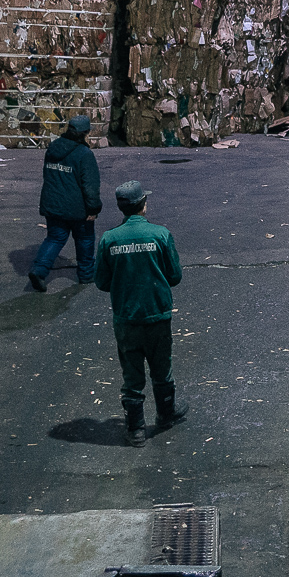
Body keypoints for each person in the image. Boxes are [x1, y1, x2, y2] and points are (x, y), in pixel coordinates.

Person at [92, 180, 184, 447]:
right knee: (162, 369)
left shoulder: (109, 239)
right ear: (143, 205)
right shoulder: (161, 234)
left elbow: (101, 282)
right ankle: (166, 414)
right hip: (157, 314)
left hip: (126, 318)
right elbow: (175, 276)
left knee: (132, 376)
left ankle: (136, 430)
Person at [30, 113, 102, 291]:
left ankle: (39, 270)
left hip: (53, 204)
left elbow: (48, 176)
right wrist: (93, 208)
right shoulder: (84, 154)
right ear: (85, 133)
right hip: (78, 208)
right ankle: (86, 275)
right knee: (85, 239)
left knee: (55, 238)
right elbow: (90, 186)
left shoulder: (53, 148)